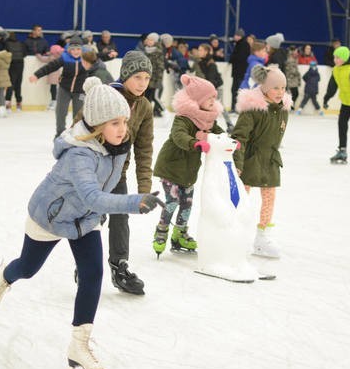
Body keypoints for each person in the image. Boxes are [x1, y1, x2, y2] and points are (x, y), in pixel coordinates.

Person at [0, 76, 165, 369]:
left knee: (93, 273)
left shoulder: (118, 145)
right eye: (115, 123)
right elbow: (94, 196)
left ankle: (79, 346)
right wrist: (136, 202)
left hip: (84, 220)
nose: (123, 129)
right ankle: (5, 275)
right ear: (97, 125)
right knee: (28, 268)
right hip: (52, 217)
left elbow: (99, 195)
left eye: (125, 121)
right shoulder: (79, 154)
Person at [101, 51, 154, 295]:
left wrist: (144, 188)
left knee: (120, 217)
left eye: (147, 77)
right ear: (125, 75)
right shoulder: (108, 96)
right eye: (137, 77)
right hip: (95, 171)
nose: (143, 83)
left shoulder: (144, 107)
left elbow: (144, 148)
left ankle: (119, 266)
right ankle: (86, 262)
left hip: (118, 173)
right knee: (93, 219)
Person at [152, 75, 223, 257]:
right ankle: (161, 232)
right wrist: (195, 143)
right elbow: (179, 136)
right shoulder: (183, 118)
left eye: (214, 98)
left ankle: (180, 233)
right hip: (171, 167)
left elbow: (219, 133)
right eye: (209, 98)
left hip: (188, 170)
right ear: (198, 99)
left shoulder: (208, 120)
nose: (212, 101)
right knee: (173, 201)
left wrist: (230, 141)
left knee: (187, 204)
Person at [232, 65, 292, 258]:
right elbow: (239, 137)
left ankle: (262, 237)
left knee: (269, 199)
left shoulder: (283, 109)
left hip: (270, 160)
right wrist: (238, 164)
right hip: (250, 160)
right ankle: (234, 234)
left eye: (283, 88)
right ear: (265, 88)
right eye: (276, 88)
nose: (280, 92)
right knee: (242, 199)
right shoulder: (252, 109)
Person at [31, 36, 88, 136]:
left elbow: (99, 58)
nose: (76, 51)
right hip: (64, 90)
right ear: (69, 50)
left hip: (80, 91)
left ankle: (77, 135)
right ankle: (60, 134)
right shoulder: (64, 58)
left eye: (78, 49)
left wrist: (109, 55)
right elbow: (50, 67)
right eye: (73, 49)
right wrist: (37, 75)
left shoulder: (86, 59)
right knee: (61, 113)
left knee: (78, 115)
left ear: (82, 49)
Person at [142, 32, 165, 117]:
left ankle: (164, 111)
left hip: (155, 80)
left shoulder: (158, 52)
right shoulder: (145, 51)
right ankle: (146, 114)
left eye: (150, 39)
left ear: (155, 41)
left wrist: (159, 80)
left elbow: (160, 68)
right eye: (147, 39)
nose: (147, 41)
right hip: (146, 79)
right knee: (146, 98)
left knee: (155, 97)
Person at [228, 28, 250, 113]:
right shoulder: (239, 44)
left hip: (240, 72)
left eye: (236, 35)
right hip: (238, 72)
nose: (234, 36)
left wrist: (232, 59)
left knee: (237, 90)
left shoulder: (243, 45)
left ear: (240, 36)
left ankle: (237, 108)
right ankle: (235, 107)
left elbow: (240, 58)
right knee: (234, 90)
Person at [4, 32, 27, 110]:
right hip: (20, 63)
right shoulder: (20, 43)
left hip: (12, 63)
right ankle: (18, 103)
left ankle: (8, 102)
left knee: (10, 83)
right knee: (18, 83)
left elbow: (4, 54)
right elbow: (25, 53)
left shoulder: (6, 43)